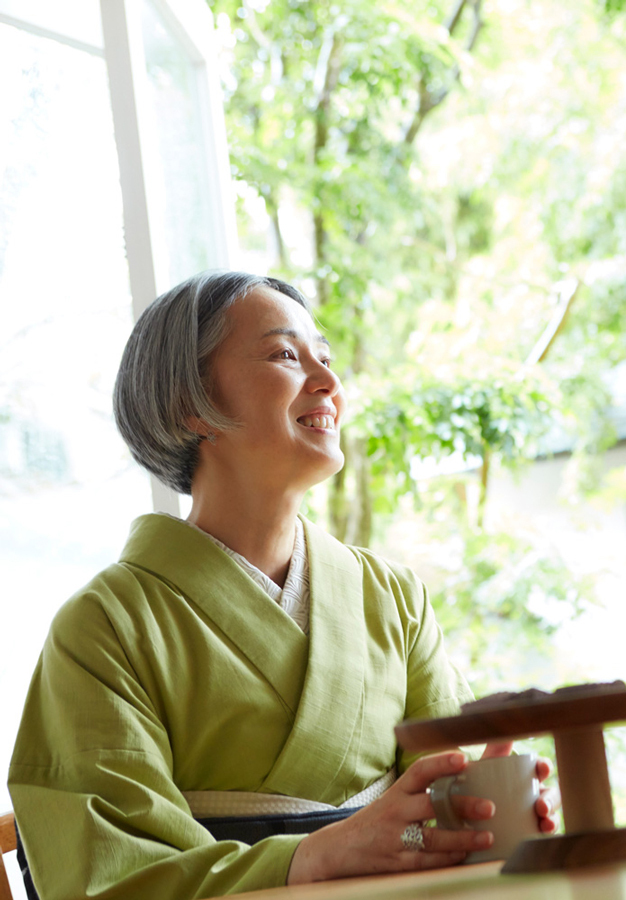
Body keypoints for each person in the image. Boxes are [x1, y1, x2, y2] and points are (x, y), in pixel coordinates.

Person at [7, 272, 555, 899]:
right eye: (286, 355)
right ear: (191, 403)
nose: (329, 383)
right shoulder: (105, 626)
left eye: (325, 358)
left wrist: (484, 806)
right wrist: (312, 858)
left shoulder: (393, 599)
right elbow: (103, 877)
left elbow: (431, 819)